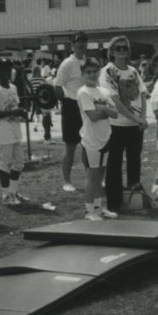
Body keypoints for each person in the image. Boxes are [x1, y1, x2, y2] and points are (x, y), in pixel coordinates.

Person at [100, 36, 149, 213]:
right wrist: (136, 119)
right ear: (112, 52)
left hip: (136, 126)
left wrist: (143, 118)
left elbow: (142, 94)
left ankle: (133, 199)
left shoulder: (133, 71)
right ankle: (114, 202)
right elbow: (115, 101)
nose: (122, 51)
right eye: (118, 48)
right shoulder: (107, 72)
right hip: (117, 125)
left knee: (134, 162)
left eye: (124, 48)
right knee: (114, 164)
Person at [76, 58, 119, 220]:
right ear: (83, 74)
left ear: (99, 72)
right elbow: (92, 116)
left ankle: (99, 207)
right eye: (88, 72)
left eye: (95, 71)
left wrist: (102, 108)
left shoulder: (104, 92)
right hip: (91, 140)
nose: (92, 75)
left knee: (101, 175)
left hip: (105, 138)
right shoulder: (83, 92)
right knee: (92, 175)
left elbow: (115, 113)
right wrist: (105, 110)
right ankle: (89, 210)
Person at [0, 59, 29, 205]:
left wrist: (21, 112)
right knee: (5, 163)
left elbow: (14, 106)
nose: (6, 74)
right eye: (3, 70)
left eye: (8, 70)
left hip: (15, 130)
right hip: (3, 132)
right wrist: (14, 112)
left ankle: (13, 191)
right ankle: (6, 195)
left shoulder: (13, 88)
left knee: (19, 163)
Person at [54, 31, 89, 193]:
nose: (81, 44)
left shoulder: (89, 62)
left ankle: (91, 178)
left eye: (83, 41)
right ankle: (67, 181)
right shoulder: (67, 63)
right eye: (78, 42)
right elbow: (57, 86)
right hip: (71, 106)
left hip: (87, 106)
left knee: (89, 145)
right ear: (72, 45)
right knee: (71, 147)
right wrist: (67, 103)